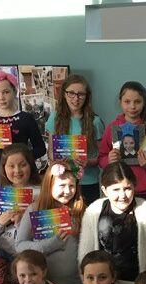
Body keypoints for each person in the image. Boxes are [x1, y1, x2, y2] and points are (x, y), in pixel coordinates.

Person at [78, 162, 146, 284]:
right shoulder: (93, 210)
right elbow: (86, 250)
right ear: (104, 190)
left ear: (134, 186)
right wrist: (89, 282)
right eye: (116, 190)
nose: (123, 195)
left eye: (127, 188)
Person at [15, 160, 85, 284]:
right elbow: (20, 246)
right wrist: (52, 244)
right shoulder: (34, 209)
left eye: (72, 186)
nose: (68, 191)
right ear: (49, 185)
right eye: (62, 185)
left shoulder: (81, 210)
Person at [0, 70, 45, 204]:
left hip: (20, 177)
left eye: (6, 92)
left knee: (23, 212)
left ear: (14, 91)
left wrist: (22, 159)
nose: (1, 97)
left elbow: (41, 148)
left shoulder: (26, 119)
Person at [98, 81, 146, 204]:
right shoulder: (112, 127)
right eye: (127, 101)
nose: (132, 106)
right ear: (120, 102)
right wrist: (108, 160)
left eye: (137, 102)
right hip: (120, 190)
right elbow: (101, 157)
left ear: (144, 102)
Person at [46, 74, 105, 205]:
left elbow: (102, 156)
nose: (76, 98)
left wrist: (88, 162)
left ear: (87, 96)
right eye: (71, 93)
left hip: (88, 182)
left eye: (81, 94)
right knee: (64, 216)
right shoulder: (54, 118)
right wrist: (57, 160)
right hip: (62, 181)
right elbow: (51, 153)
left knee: (87, 216)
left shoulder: (95, 121)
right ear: (64, 94)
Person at [0, 143, 41, 261]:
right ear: (4, 168)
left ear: (31, 165)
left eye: (23, 165)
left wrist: (25, 221)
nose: (17, 170)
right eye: (11, 166)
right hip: (5, 255)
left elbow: (48, 231)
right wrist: (0, 222)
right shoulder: (1, 194)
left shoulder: (41, 193)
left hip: (33, 255)